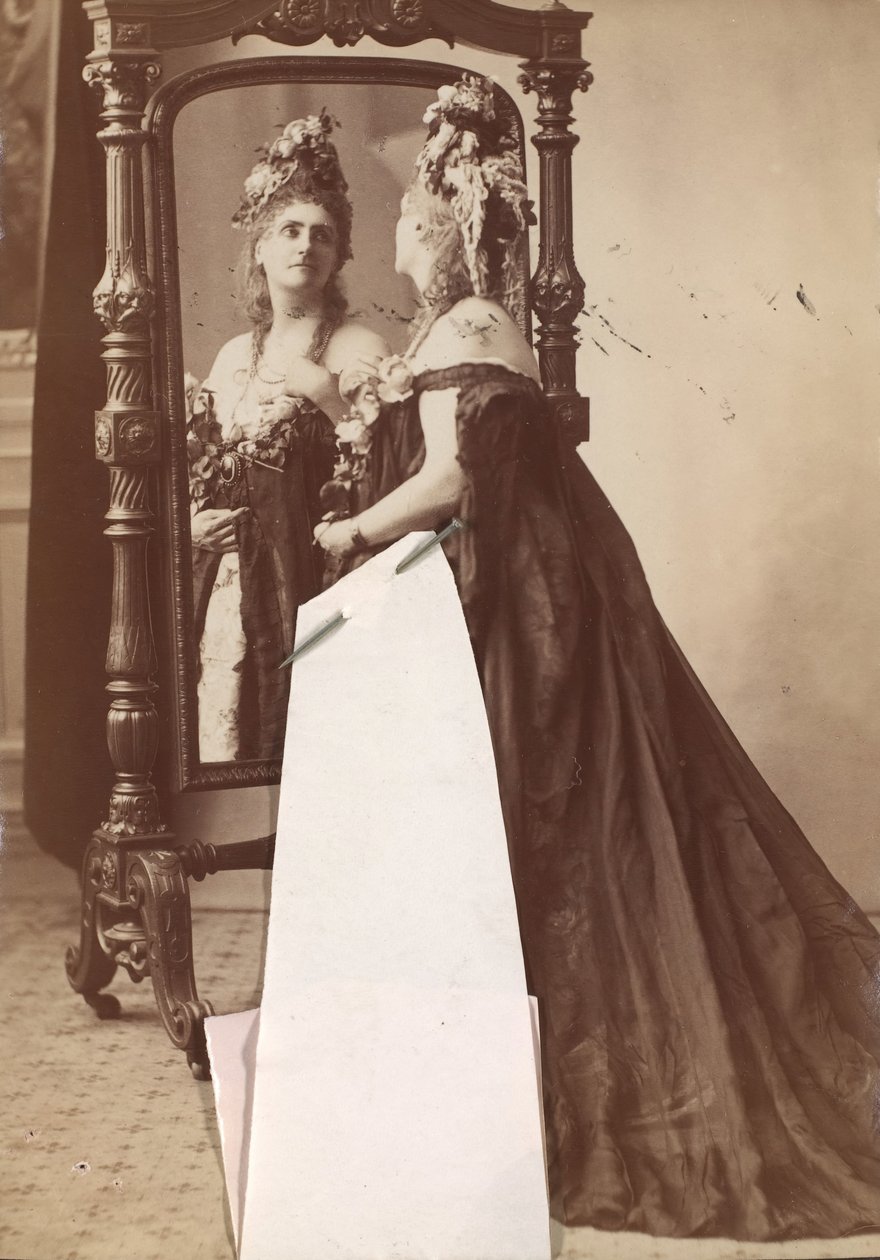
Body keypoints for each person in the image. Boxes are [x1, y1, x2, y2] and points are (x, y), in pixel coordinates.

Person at [316, 75, 880, 1241]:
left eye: (414, 224)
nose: (403, 245)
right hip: (529, 589)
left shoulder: (466, 328)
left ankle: (505, 1089)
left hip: (512, 604)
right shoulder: (469, 327)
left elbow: (451, 477)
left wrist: (351, 532)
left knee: (529, 826)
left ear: (448, 230)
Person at [187, 111, 388, 761]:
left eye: (322, 234)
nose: (306, 245)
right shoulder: (230, 357)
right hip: (232, 584)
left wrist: (326, 394)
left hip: (317, 578)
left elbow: (391, 465)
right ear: (261, 249)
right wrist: (195, 522)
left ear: (340, 255)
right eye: (290, 230)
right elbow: (203, 472)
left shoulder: (358, 346)